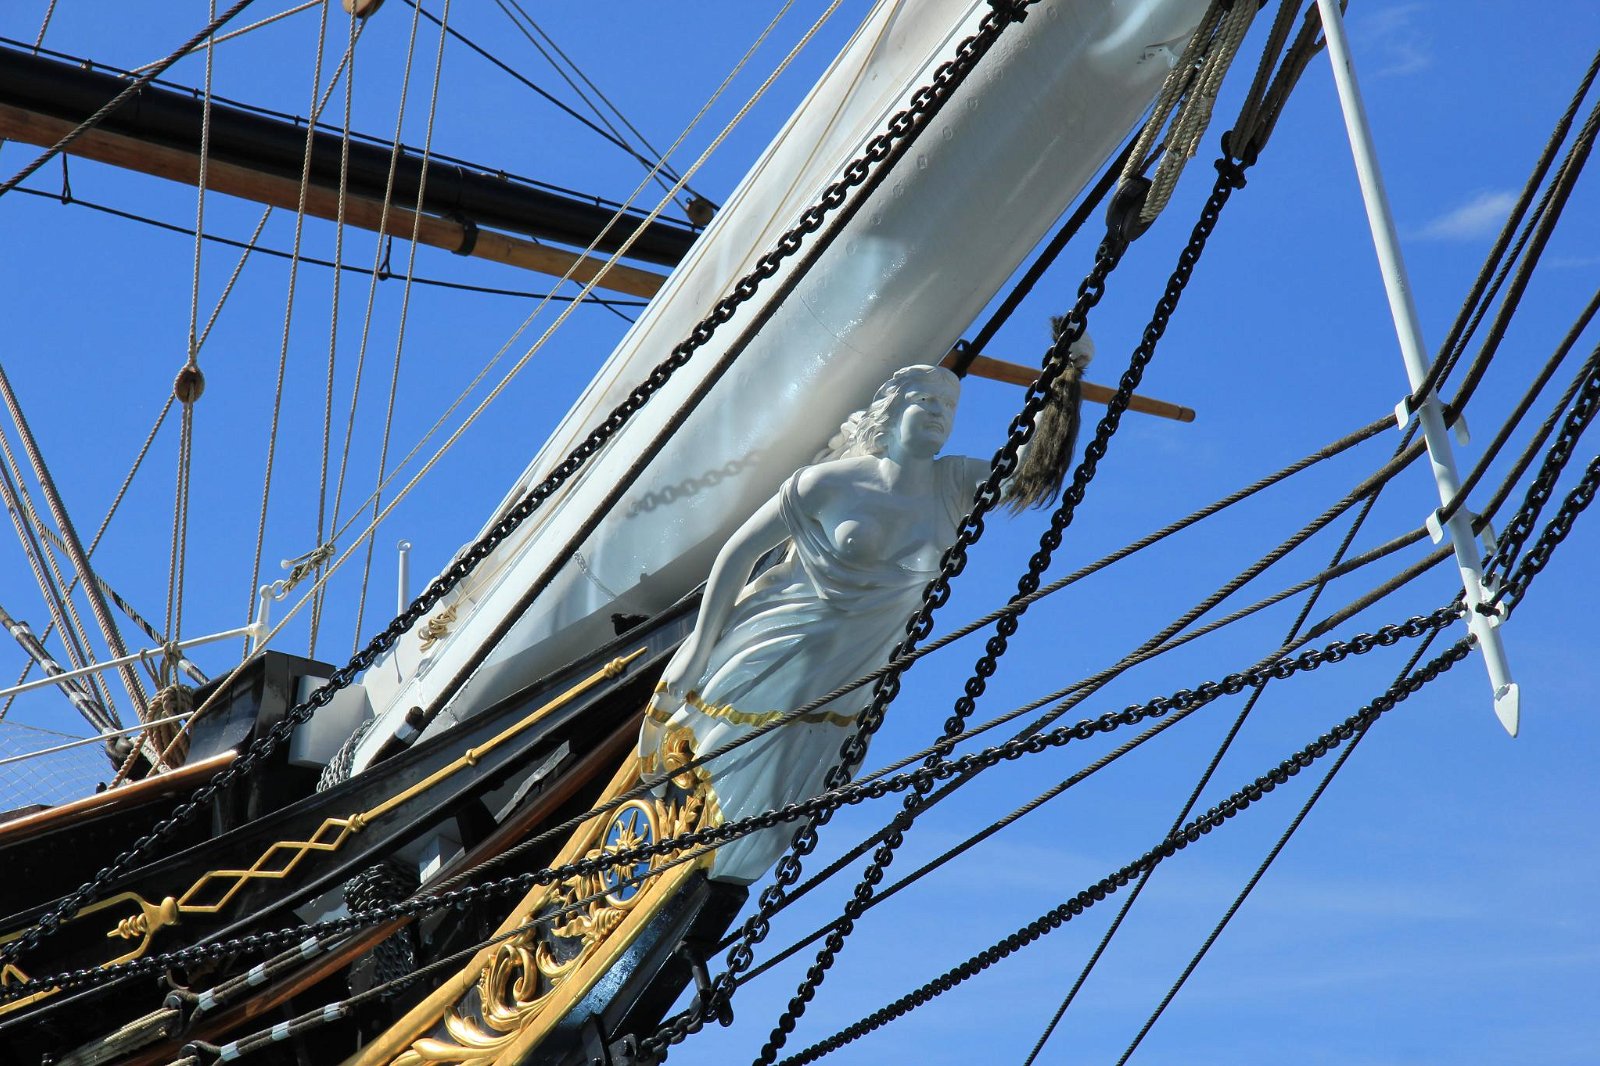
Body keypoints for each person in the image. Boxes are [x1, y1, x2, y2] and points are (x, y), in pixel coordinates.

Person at [636, 363, 1000, 885]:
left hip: (850, 677)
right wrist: (699, 644)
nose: (940, 415)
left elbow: (1028, 469)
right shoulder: (832, 482)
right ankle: (685, 865)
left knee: (783, 797)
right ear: (893, 410)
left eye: (949, 408)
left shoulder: (955, 485)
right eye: (926, 401)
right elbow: (739, 554)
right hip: (777, 647)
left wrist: (1063, 385)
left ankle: (715, 877)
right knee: (721, 772)